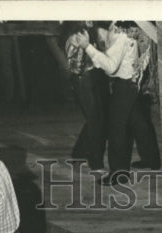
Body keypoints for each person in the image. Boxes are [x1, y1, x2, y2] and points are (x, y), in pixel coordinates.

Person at [72, 21, 161, 185]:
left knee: (116, 128)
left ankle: (119, 173)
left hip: (124, 83)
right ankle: (152, 159)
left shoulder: (120, 32)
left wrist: (87, 47)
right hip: (134, 80)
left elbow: (110, 67)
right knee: (138, 121)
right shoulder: (131, 24)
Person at [61, 22, 110, 171]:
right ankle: (96, 163)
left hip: (95, 76)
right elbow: (76, 67)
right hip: (84, 79)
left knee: (97, 118)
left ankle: (79, 152)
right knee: (95, 120)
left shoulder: (92, 30)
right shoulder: (77, 35)